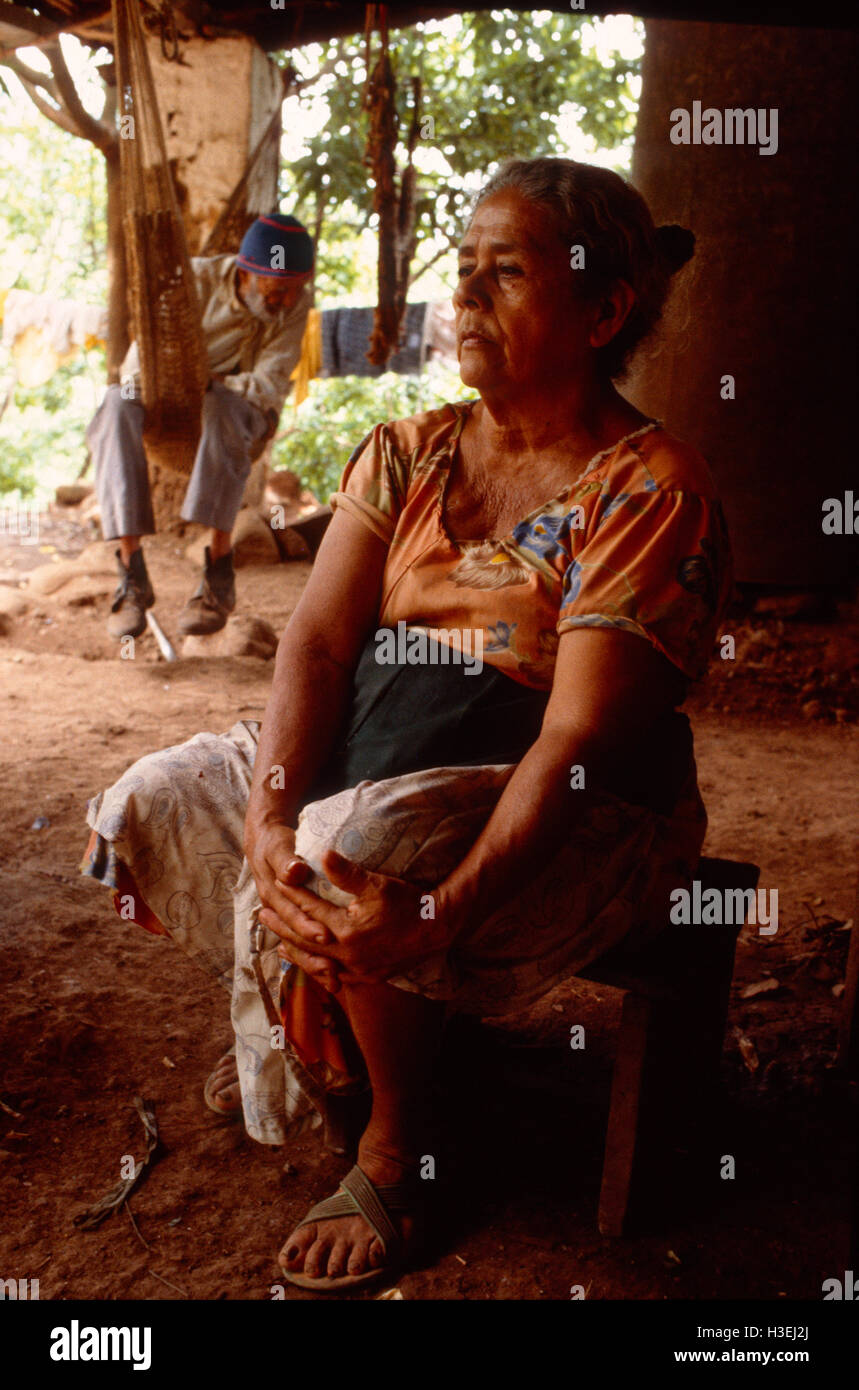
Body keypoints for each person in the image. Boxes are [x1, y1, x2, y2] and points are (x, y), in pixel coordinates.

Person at [81, 157, 732, 1292]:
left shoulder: (649, 489)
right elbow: (320, 648)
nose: (464, 297)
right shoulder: (408, 450)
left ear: (603, 310)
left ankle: (406, 1143)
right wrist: (269, 812)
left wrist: (434, 912)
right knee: (155, 804)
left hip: (579, 801)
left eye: (504, 273)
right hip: (381, 749)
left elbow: (575, 747)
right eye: (462, 268)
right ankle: (321, 1036)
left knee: (350, 858)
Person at [86, 212, 314, 639]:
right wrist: (179, 382)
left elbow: (268, 386)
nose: (287, 302)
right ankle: (132, 574)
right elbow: (138, 372)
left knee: (222, 407)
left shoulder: (296, 303)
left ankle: (218, 572)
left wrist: (217, 383)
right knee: (116, 404)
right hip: (168, 403)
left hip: (239, 410)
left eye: (295, 290)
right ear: (247, 273)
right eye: (278, 290)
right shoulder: (190, 283)